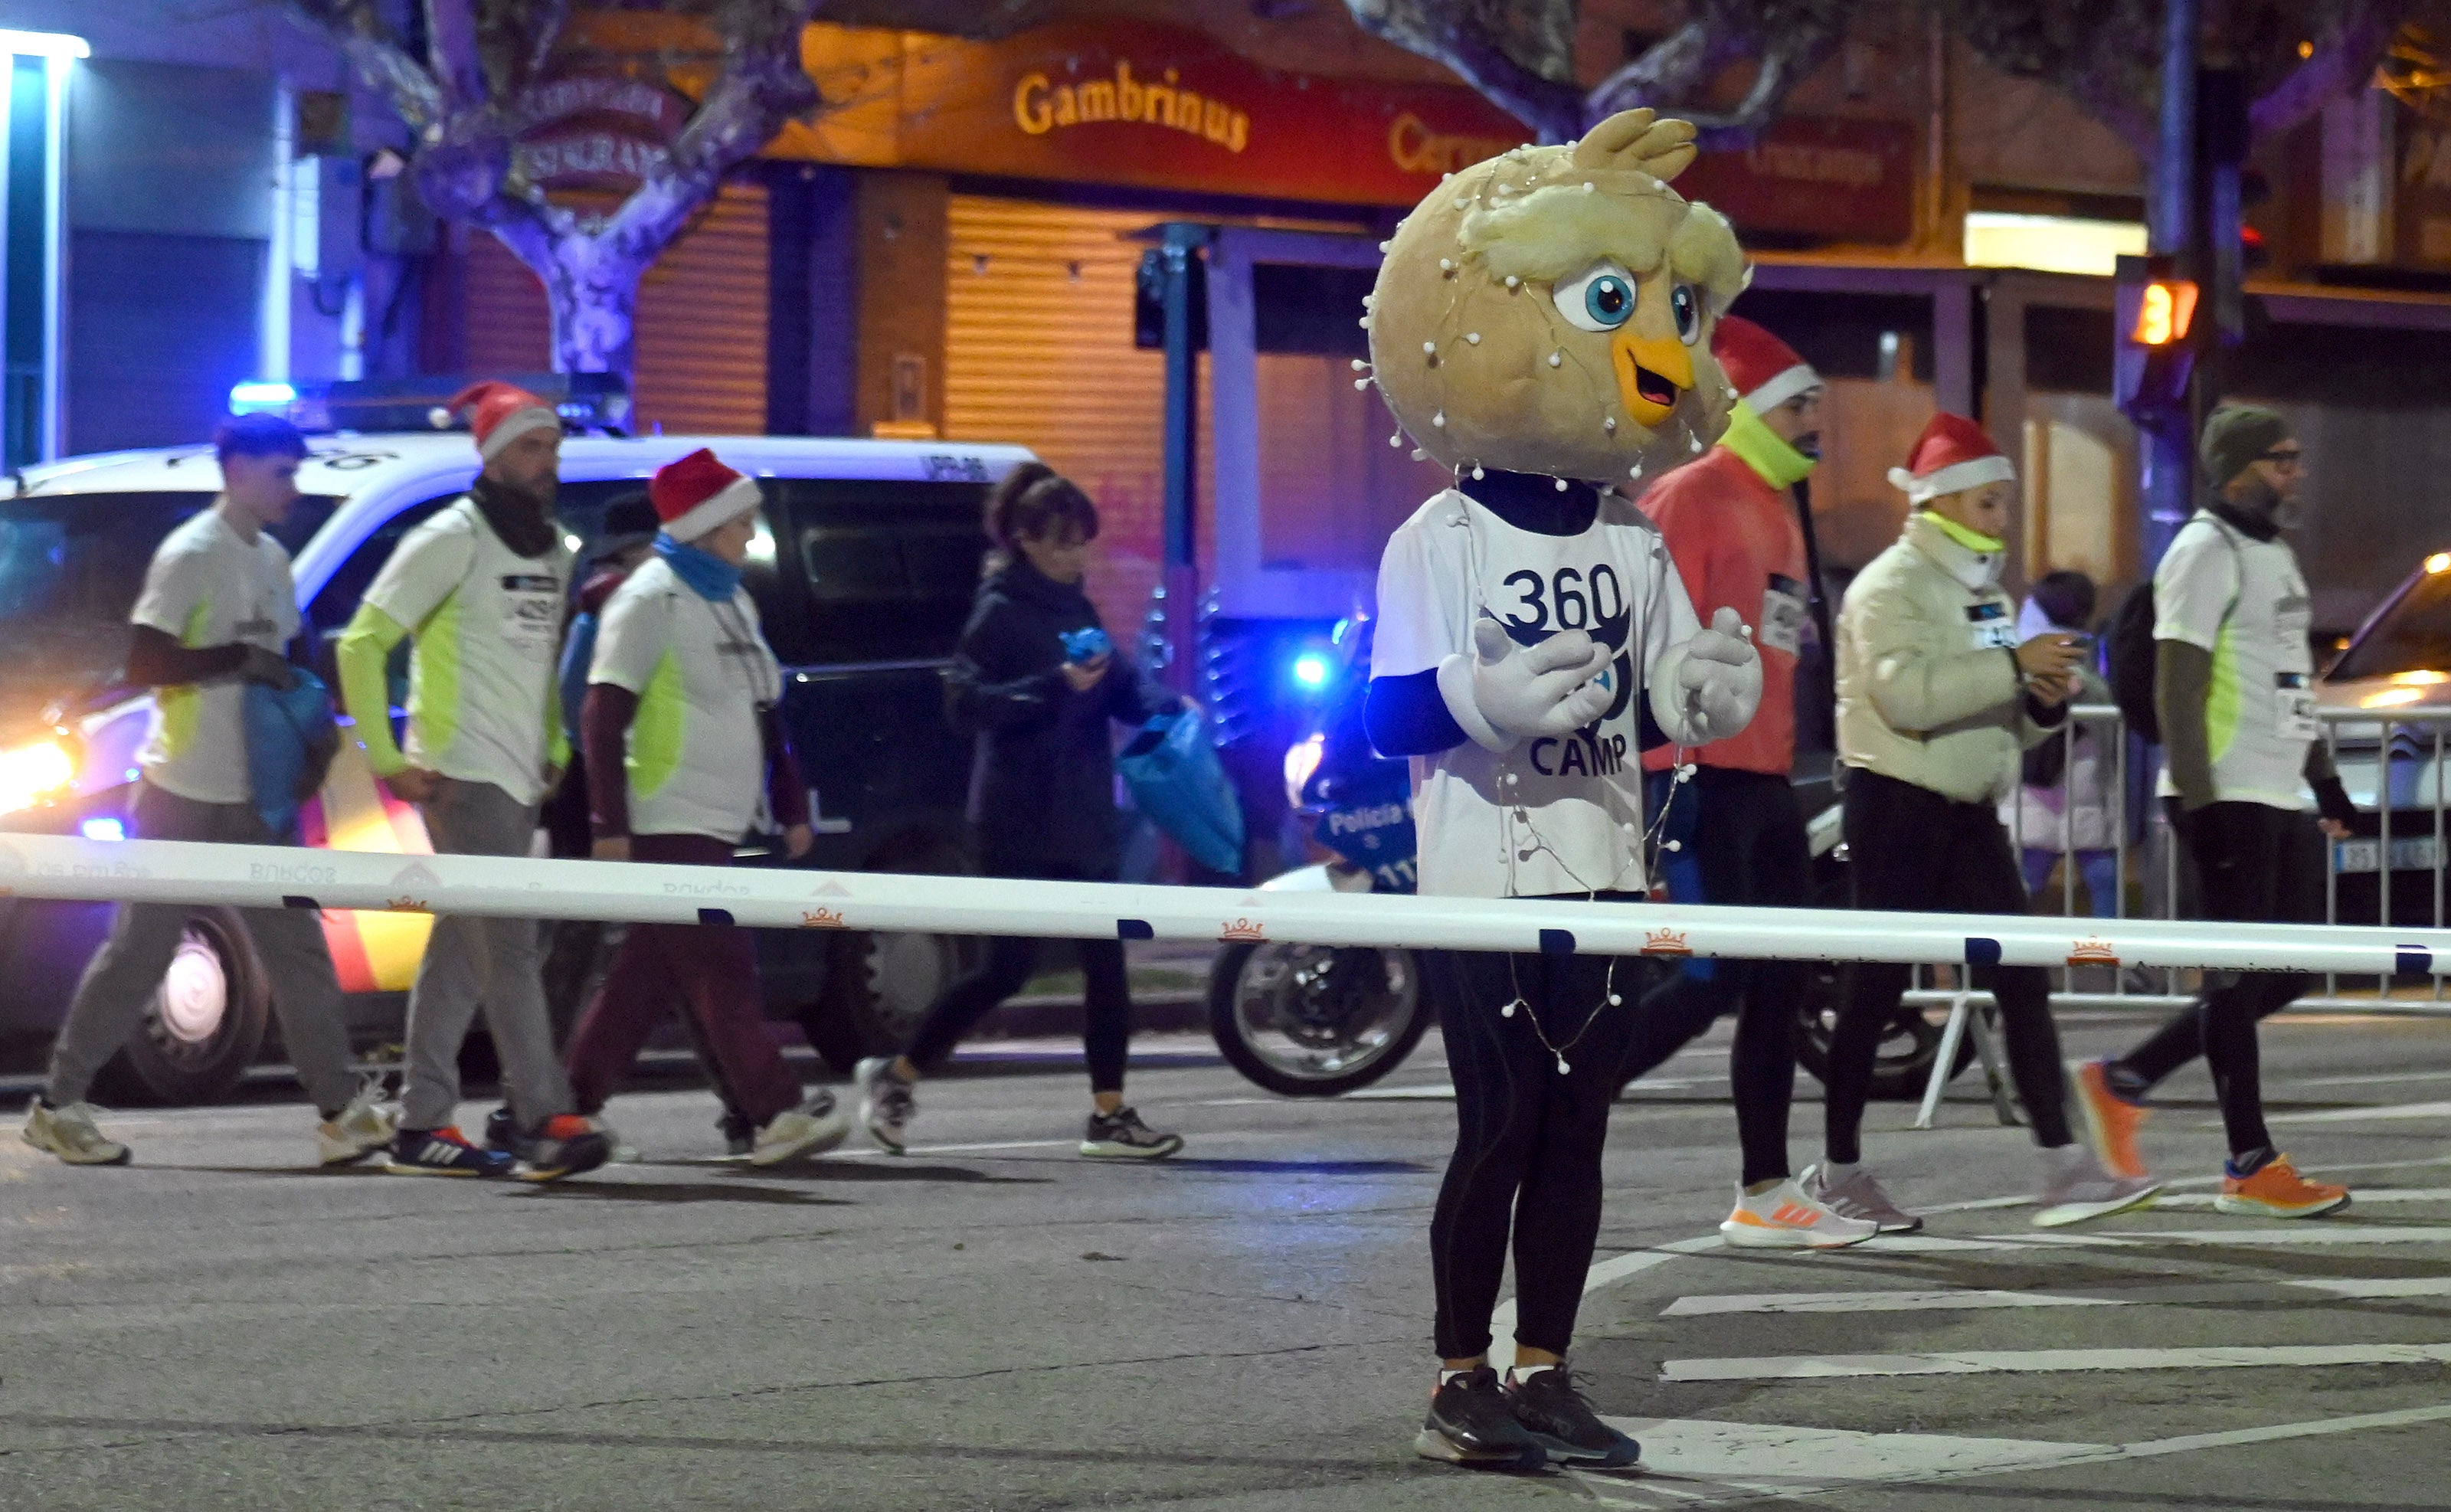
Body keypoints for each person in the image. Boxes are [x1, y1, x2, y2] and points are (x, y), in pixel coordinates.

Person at [22, 414, 392, 1167]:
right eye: (281, 472)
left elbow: (288, 657)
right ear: (238, 471)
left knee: (298, 949)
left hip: (257, 794)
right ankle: (60, 1105)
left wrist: (306, 720)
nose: (294, 486)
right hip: (181, 787)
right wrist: (237, 660)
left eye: (295, 471)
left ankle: (338, 1112)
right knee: (139, 951)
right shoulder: (191, 554)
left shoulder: (273, 559)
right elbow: (146, 661)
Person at [1819, 413, 2158, 1230]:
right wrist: (2012, 666)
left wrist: (2039, 702)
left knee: (2021, 978)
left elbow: (1997, 712)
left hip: (1967, 812)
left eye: (2003, 504)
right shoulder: (1888, 587)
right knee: (1871, 992)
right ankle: (1836, 1169)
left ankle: (2063, 1168)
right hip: (1895, 802)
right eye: (1989, 504)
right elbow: (1904, 698)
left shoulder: (1980, 591)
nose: (2003, 519)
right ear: (1939, 503)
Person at [1615, 316, 1876, 1249]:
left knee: (1772, 985)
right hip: (1691, 780)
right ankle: (1562, 1102)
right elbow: (1636, 631)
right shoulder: (1689, 493)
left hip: (1763, 781)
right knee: (1705, 977)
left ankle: (1763, 1191)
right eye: (1799, 403)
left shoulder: (1777, 506)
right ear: (1751, 408)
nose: (1817, 421)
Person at [854, 463, 1186, 1160]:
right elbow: (965, 705)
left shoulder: (1079, 606)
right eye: (1064, 544)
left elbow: (1121, 688)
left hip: (1084, 810)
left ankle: (1110, 1111)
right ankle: (899, 1073)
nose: (1077, 557)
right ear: (1028, 541)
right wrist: (1051, 686)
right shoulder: (999, 610)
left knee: (1105, 962)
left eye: (1083, 544)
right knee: (1008, 969)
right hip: (1020, 816)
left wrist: (1163, 704)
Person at [2071, 406, 2355, 1219]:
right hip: (2222, 793)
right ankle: (2248, 1163)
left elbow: (2289, 685)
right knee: (2232, 981)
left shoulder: (2274, 555)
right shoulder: (2202, 549)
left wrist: (2324, 782)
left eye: (2297, 458)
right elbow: (2176, 683)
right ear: (2234, 469)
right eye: (2280, 460)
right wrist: (2196, 802)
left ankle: (2121, 1080)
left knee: (2287, 970)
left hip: (2275, 792)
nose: (2294, 473)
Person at [335, 382, 610, 1182]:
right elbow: (361, 643)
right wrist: (388, 759)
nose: (546, 462)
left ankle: (421, 1125)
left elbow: (540, 660)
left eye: (553, 448)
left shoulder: (554, 549)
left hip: (519, 774)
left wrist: (554, 743)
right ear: (489, 455)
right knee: (511, 947)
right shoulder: (448, 538)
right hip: (460, 773)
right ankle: (542, 1119)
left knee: (464, 951)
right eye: (531, 447)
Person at [564, 447, 848, 1166]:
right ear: (704, 525)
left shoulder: (730, 597)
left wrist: (790, 804)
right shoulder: (648, 598)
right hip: (668, 815)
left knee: (643, 981)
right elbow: (602, 716)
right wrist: (609, 824)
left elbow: (765, 710)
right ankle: (777, 1109)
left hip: (716, 821)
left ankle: (557, 1112)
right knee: (722, 968)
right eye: (743, 523)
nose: (752, 537)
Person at [2004, 571, 2120, 918]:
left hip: (2038, 790)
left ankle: (2015, 962)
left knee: (2030, 880)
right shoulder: (2069, 652)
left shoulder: (2020, 644)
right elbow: (2100, 701)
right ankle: (2108, 960)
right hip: (2075, 783)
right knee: (2100, 878)